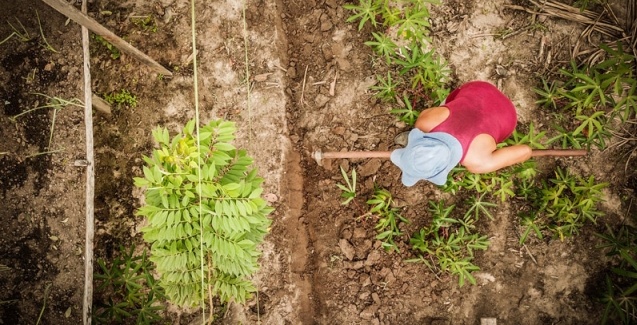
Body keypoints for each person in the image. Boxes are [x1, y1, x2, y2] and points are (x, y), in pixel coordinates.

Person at [390, 80, 532, 186]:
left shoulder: (477, 162)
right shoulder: (424, 123)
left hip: (507, 115)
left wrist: (494, 158)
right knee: (447, 106)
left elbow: (525, 151)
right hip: (479, 89)